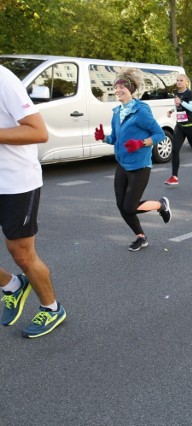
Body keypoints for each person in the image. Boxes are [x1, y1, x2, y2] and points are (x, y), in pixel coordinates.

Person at [0, 65, 67, 338]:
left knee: (22, 254)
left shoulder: (3, 79)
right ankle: (12, 286)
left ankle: (52, 309)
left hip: (16, 183)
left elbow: (38, 132)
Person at [94, 68, 172, 251]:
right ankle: (141, 237)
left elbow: (159, 135)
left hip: (139, 166)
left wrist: (142, 143)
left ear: (130, 89)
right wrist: (103, 137)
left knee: (129, 207)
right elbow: (115, 138)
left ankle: (161, 205)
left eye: (122, 87)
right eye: (116, 87)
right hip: (122, 164)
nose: (118, 90)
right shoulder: (117, 112)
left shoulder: (141, 111)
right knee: (121, 206)